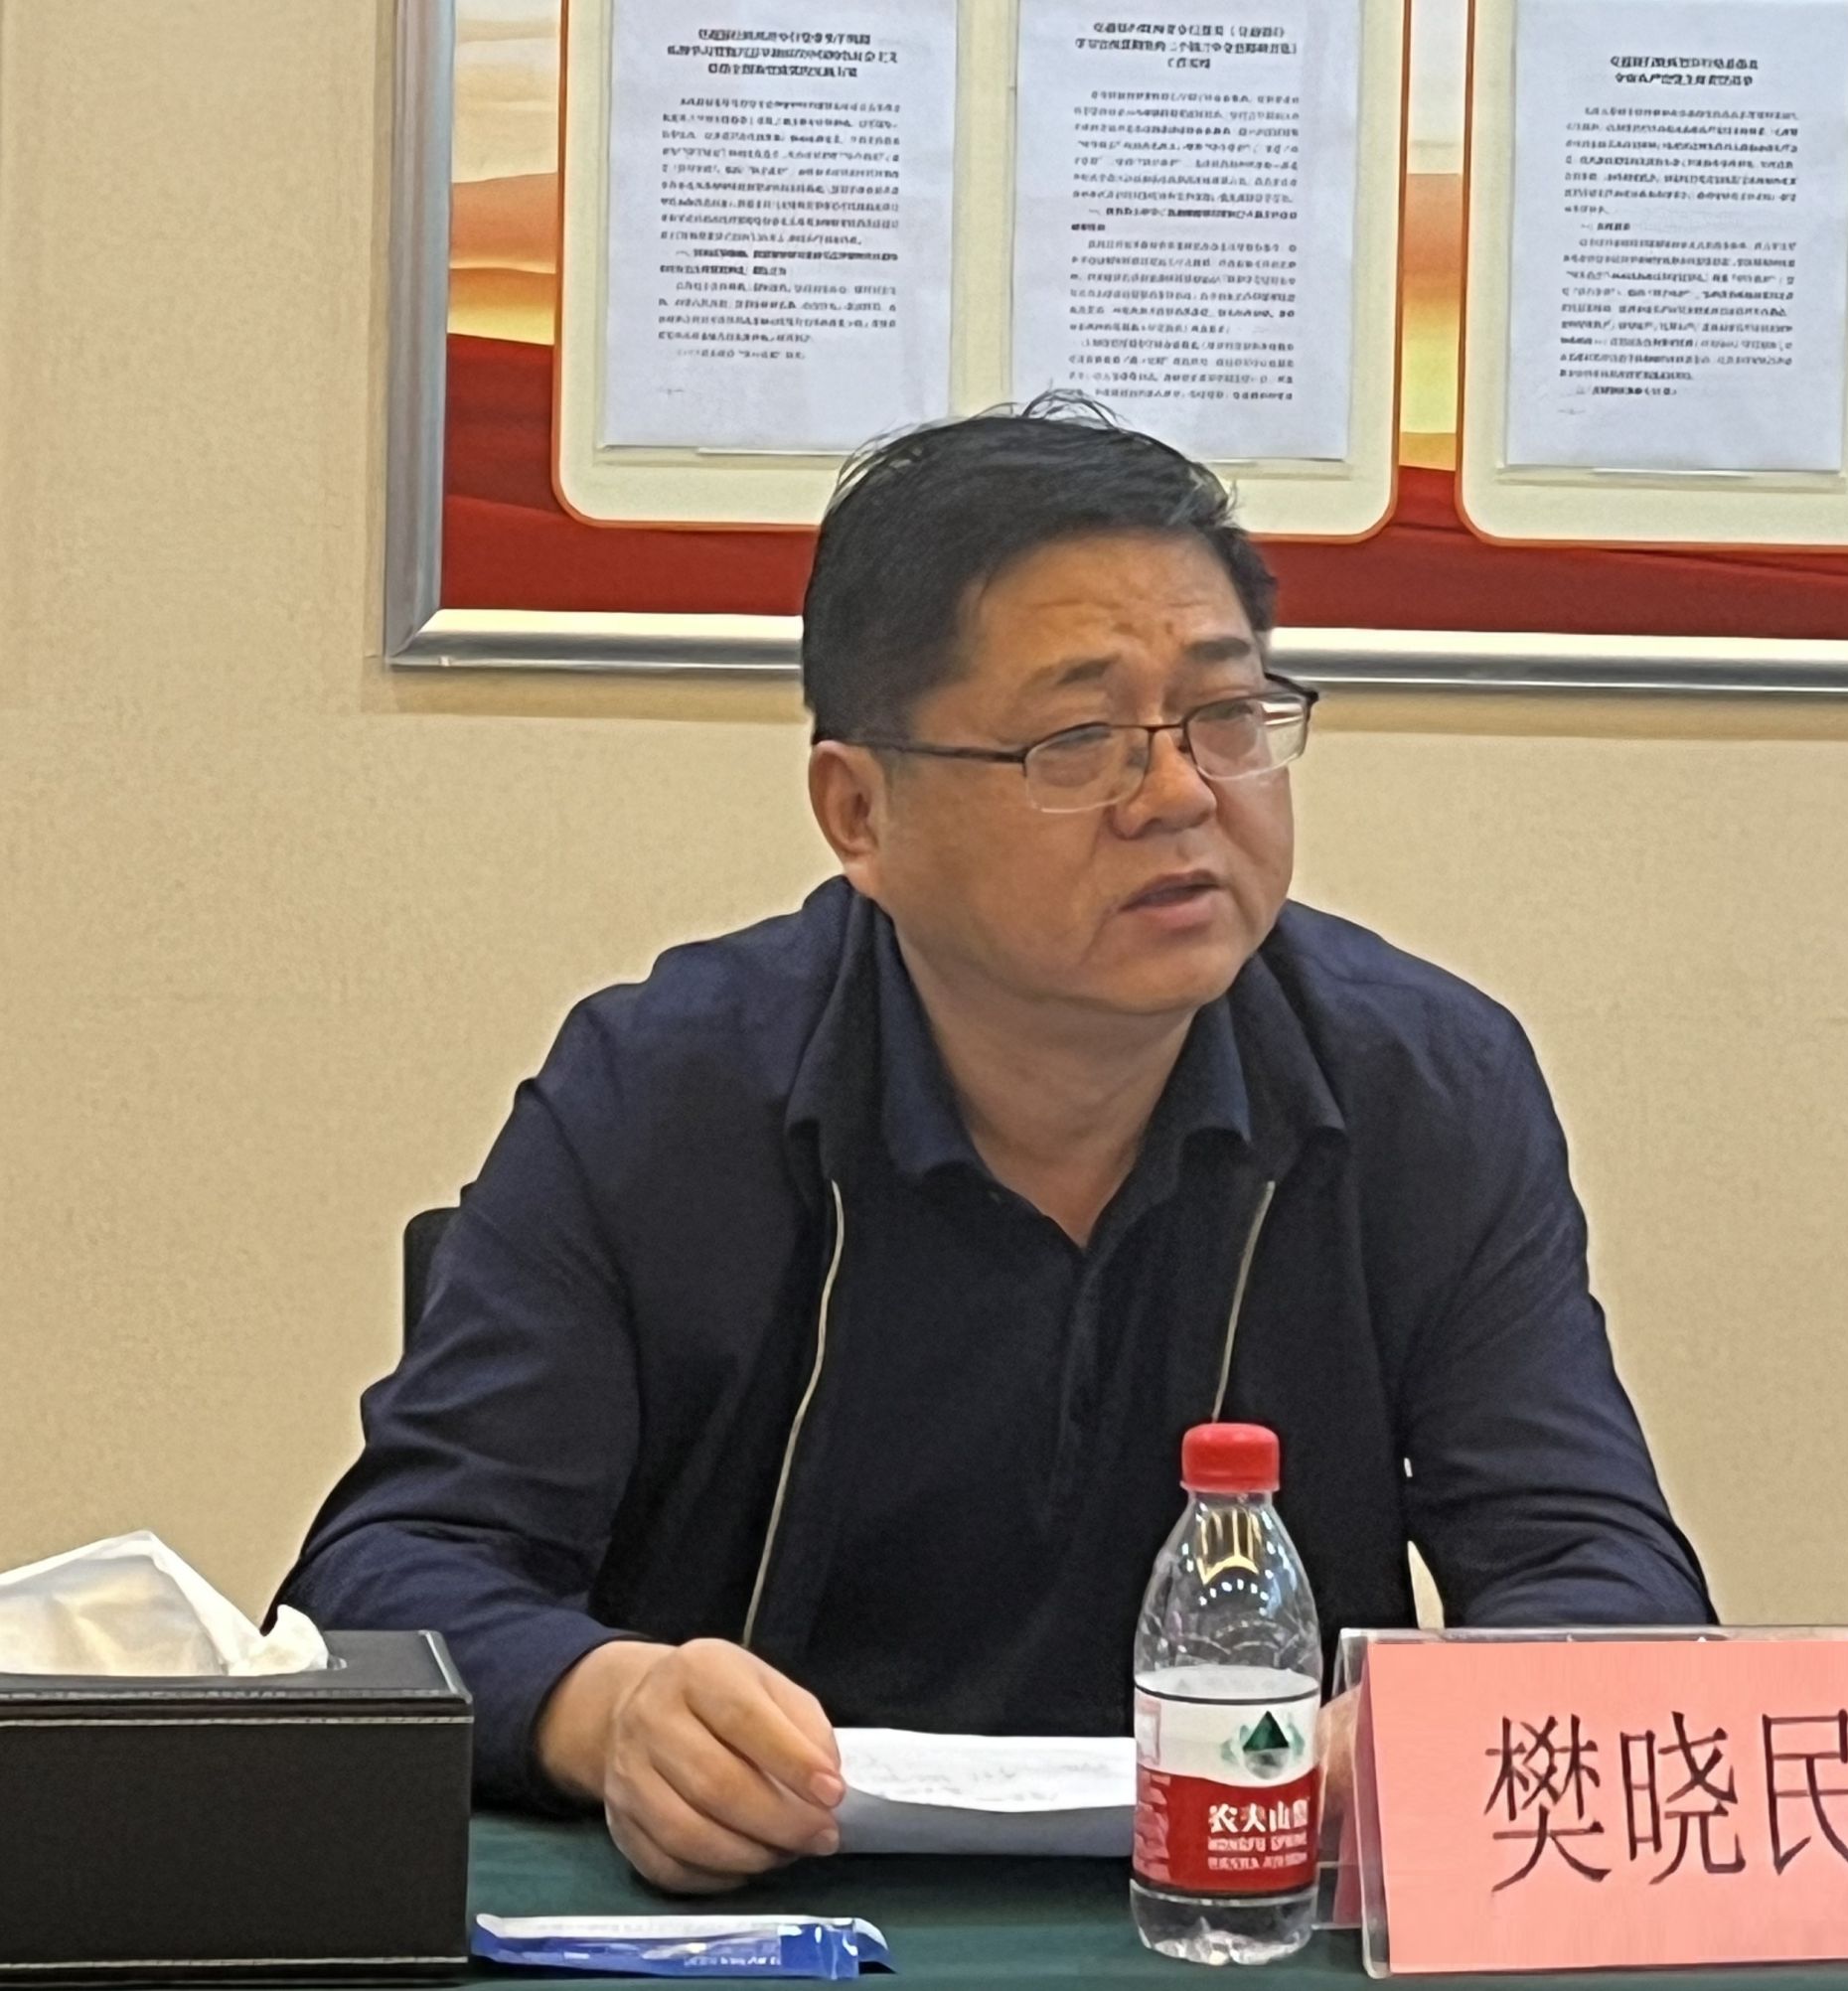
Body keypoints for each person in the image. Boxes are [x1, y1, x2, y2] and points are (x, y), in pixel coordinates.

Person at [277, 398, 1711, 1895]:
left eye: (1226, 716)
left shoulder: (1424, 1085)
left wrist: (1436, 1731)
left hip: (1241, 1910)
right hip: (767, 1912)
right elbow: (384, 1579)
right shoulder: (662, 1094)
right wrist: (610, 1709)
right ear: (859, 810)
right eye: (1079, 740)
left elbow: (1596, 1566)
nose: (1182, 796)